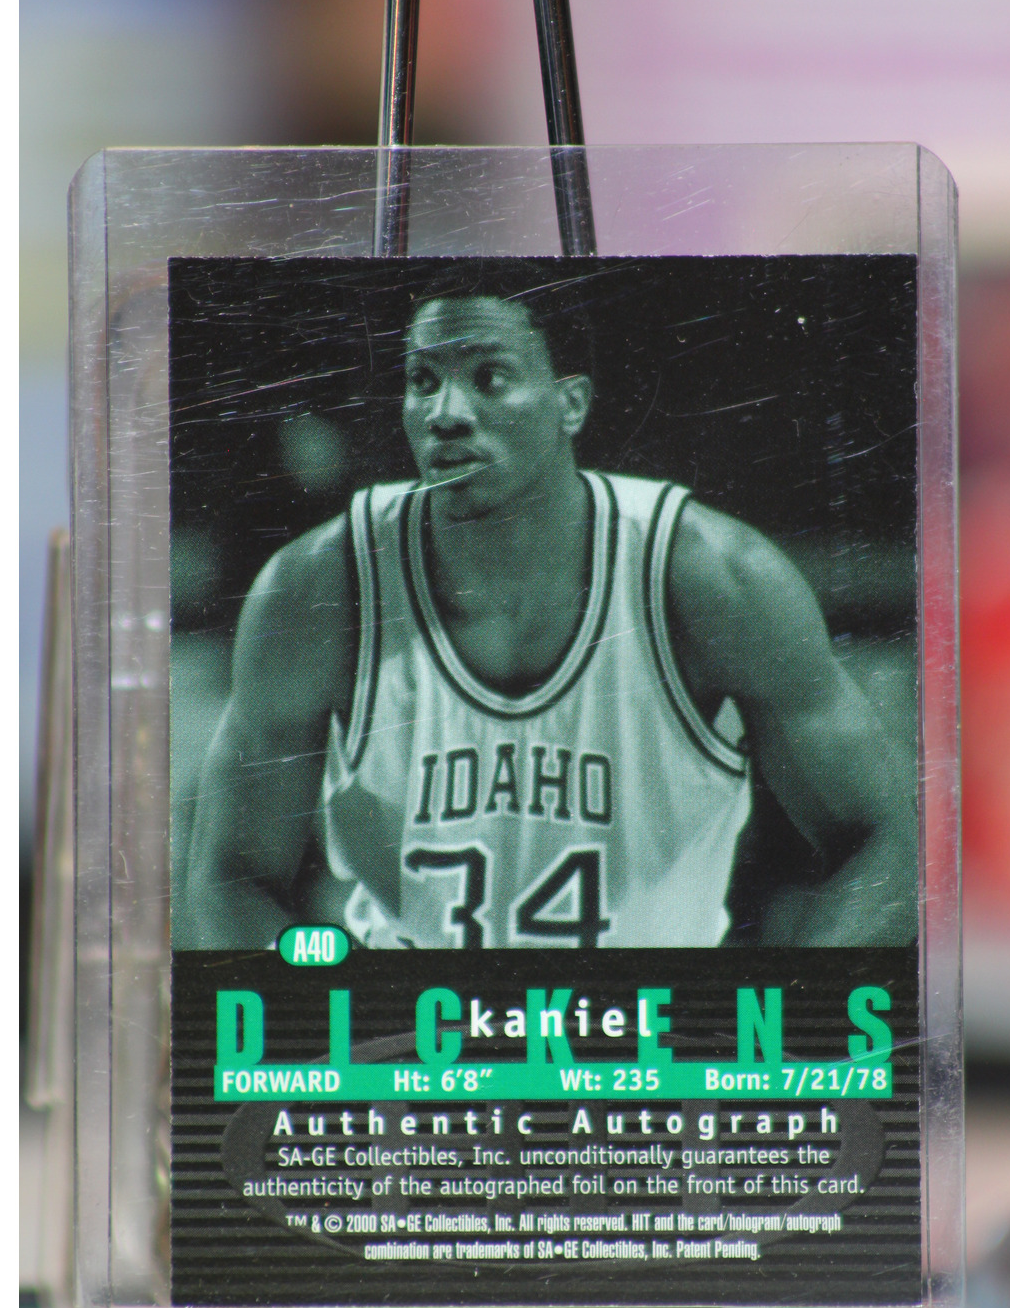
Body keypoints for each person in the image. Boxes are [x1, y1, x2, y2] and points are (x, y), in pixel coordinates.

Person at [180, 278, 914, 949]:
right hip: (415, 1038)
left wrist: (781, 1022)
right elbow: (230, 877)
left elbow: (891, 840)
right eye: (423, 381)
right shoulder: (318, 585)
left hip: (645, 1039)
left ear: (572, 403)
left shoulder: (710, 576)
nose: (445, 413)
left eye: (489, 378)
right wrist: (323, 1017)